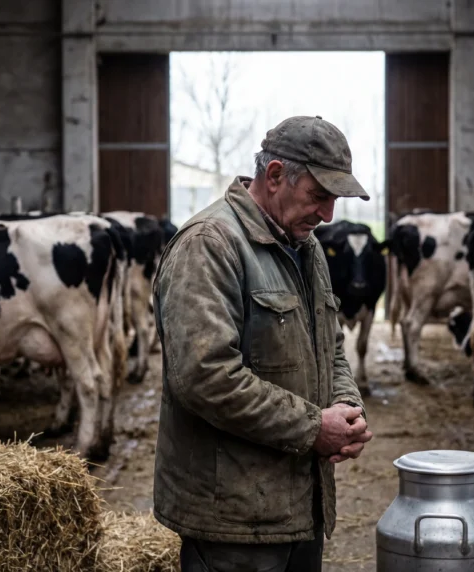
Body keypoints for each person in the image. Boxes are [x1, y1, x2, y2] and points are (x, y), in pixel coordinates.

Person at [152, 115, 374, 571]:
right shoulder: (209, 245)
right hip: (233, 520)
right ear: (274, 175)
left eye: (334, 200)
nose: (328, 215)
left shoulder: (306, 247)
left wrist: (347, 408)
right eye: (319, 196)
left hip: (300, 506)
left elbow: (330, 345)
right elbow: (205, 377)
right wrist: (315, 428)